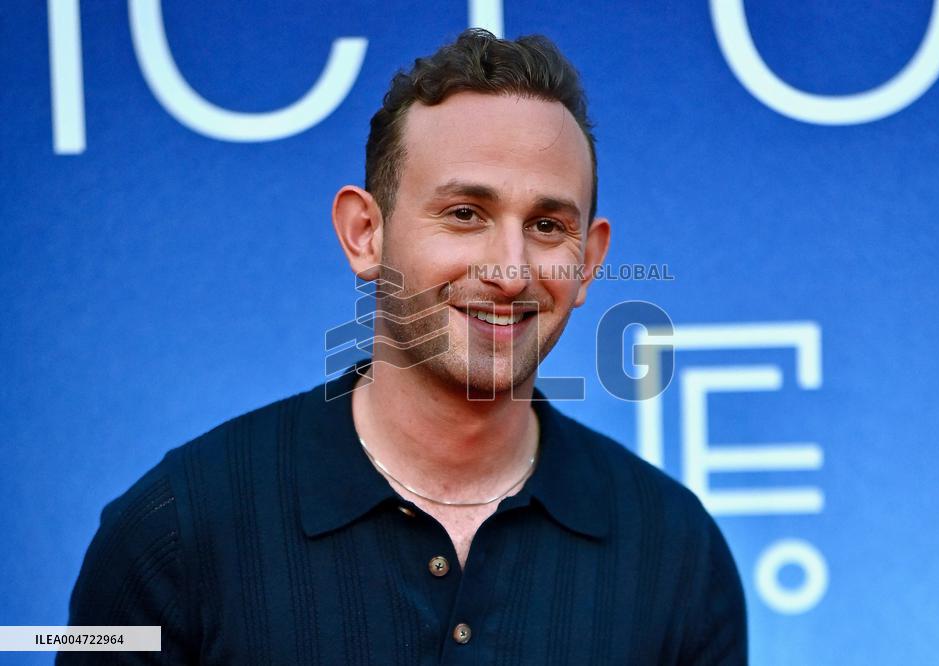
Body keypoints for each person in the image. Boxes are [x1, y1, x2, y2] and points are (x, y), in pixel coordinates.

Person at [61, 29, 747, 664]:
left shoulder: (676, 552)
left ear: (590, 260)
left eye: (546, 224)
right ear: (365, 233)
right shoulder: (172, 531)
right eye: (465, 214)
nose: (510, 272)